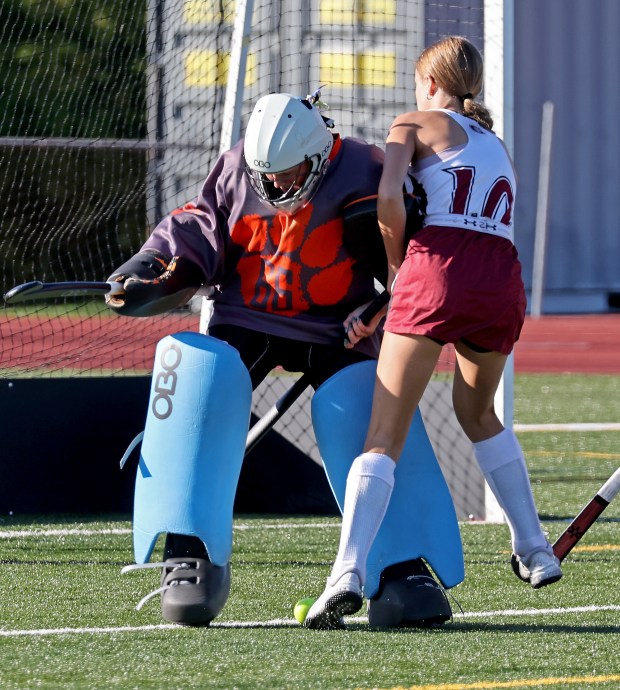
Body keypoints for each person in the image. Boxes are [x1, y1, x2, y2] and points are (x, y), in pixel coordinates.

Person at [108, 91, 452, 627]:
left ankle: (399, 566)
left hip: (338, 327)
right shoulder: (238, 167)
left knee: (366, 407)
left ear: (319, 155)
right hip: (247, 316)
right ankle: (189, 550)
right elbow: (197, 226)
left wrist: (382, 305)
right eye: (265, 174)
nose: (273, 187)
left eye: (288, 174)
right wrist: (151, 265)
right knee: (199, 383)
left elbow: (413, 246)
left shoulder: (367, 166)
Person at [304, 36, 563, 630]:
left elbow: (389, 201)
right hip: (500, 279)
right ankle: (534, 547)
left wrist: (396, 271)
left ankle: (347, 570)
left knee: (383, 434)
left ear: (428, 82)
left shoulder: (412, 123)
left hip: (437, 267)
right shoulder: (497, 145)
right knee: (478, 413)